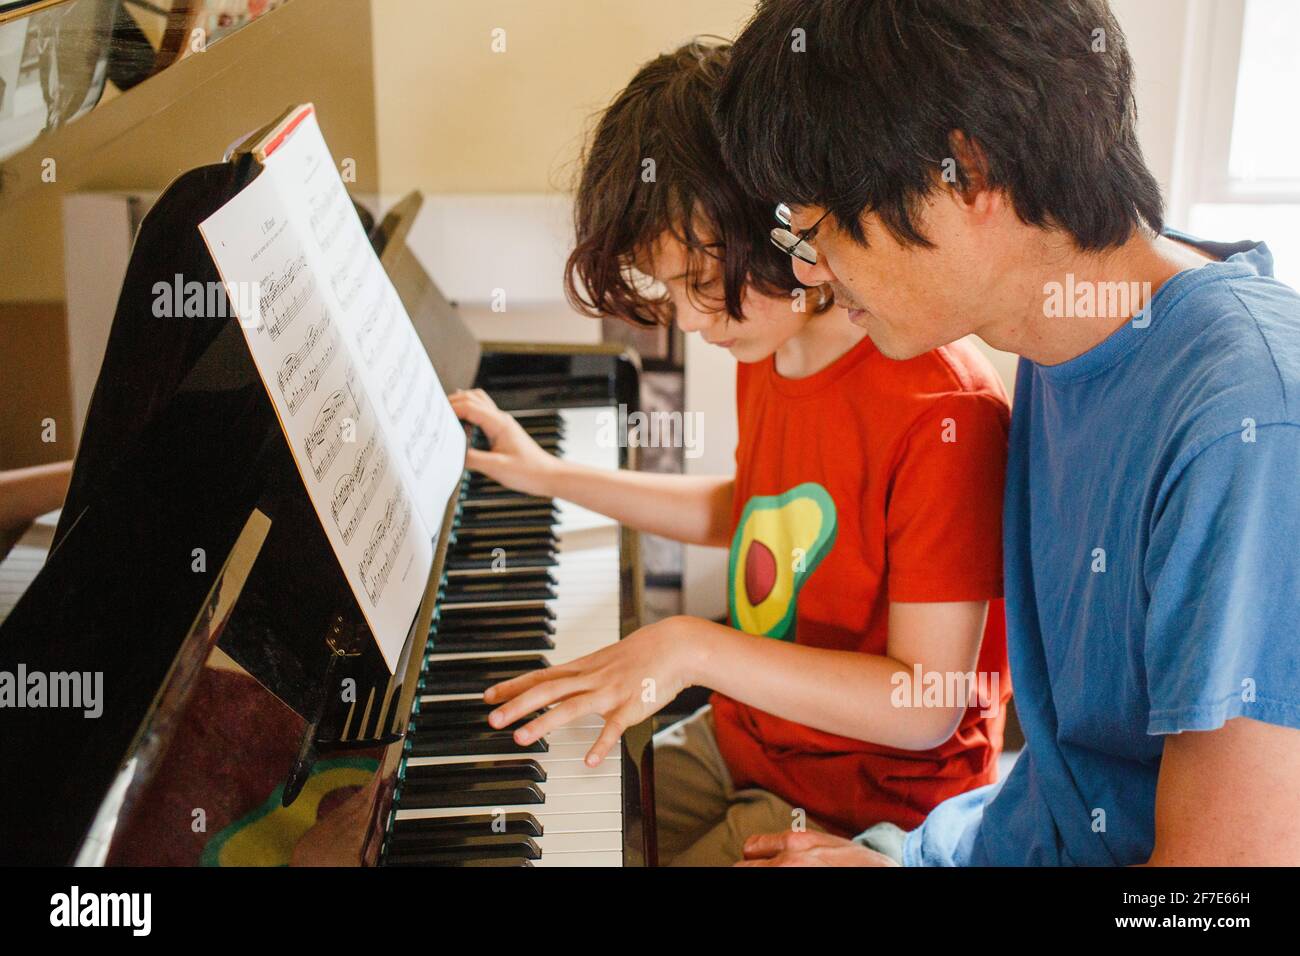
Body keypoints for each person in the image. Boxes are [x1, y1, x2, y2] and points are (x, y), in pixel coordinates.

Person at [712, 0, 1300, 866]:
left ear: (965, 173)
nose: (812, 270)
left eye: (817, 227)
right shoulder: (1070, 343)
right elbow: (1070, 786)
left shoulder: (1247, 424)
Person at [450, 40, 1012, 866]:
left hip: (866, 802)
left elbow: (924, 704)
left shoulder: (940, 409)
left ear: (786, 223)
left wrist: (690, 646)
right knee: (541, 805)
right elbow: (755, 510)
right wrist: (552, 476)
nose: (687, 319)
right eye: (668, 289)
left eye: (700, 281)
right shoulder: (774, 347)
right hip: (747, 741)